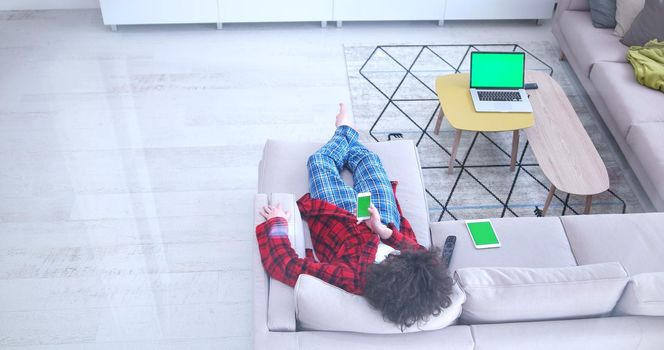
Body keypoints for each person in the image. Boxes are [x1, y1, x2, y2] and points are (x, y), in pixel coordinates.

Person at [255, 103, 454, 330]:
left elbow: (286, 265)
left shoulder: (352, 276)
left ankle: (345, 130)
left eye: (394, 258)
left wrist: (277, 223)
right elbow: (419, 253)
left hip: (338, 217)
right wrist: (383, 230)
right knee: (369, 161)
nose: (398, 255)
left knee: (319, 162)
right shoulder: (423, 273)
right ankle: (348, 135)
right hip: (381, 217)